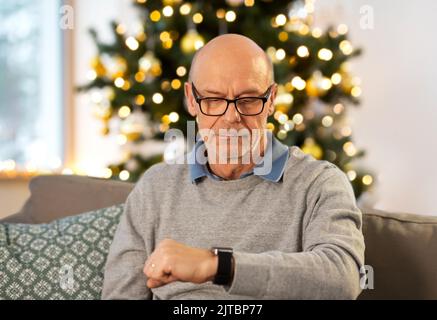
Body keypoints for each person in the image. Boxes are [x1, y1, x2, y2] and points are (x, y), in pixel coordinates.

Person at [101, 34, 365, 300]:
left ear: (271, 99)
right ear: (191, 100)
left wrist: (219, 265)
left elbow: (343, 279)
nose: (231, 117)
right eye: (213, 100)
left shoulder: (319, 183)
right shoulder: (155, 188)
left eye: (248, 99)